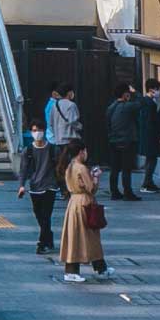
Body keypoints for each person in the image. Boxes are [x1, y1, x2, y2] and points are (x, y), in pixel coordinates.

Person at [59, 141, 108, 280]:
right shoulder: (81, 168)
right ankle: (74, 271)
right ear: (81, 152)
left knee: (75, 236)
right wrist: (96, 177)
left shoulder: (70, 166)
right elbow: (91, 188)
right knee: (89, 236)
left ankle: (99, 267)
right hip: (84, 203)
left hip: (73, 202)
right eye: (85, 151)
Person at [14, 122, 59, 255]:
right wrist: (21, 186)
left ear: (44, 131)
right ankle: (48, 237)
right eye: (34, 130)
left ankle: (41, 243)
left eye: (39, 130)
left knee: (46, 215)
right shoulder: (28, 150)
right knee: (39, 215)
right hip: (35, 187)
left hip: (50, 186)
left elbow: (59, 167)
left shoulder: (52, 149)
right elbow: (23, 170)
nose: (37, 133)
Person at [104, 84, 141, 200]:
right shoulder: (129, 106)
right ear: (125, 94)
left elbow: (108, 124)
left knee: (114, 168)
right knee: (126, 168)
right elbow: (141, 103)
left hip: (113, 140)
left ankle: (114, 191)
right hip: (127, 141)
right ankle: (127, 192)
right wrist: (135, 92)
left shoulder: (111, 107)